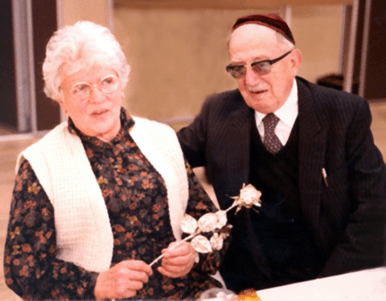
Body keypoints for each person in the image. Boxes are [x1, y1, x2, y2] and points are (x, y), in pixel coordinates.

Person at [3, 21, 229, 300]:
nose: (98, 98)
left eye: (107, 82)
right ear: (61, 99)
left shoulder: (162, 138)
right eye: (81, 89)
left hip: (184, 293)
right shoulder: (41, 163)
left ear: (122, 84)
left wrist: (193, 254)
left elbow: (210, 221)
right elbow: (21, 269)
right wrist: (95, 284)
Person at [177, 14, 386, 293]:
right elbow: (166, 156)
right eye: (238, 69)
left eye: (261, 65)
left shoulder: (343, 113)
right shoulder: (219, 112)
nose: (250, 80)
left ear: (293, 61)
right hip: (248, 283)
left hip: (330, 274)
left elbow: (374, 211)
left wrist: (324, 289)